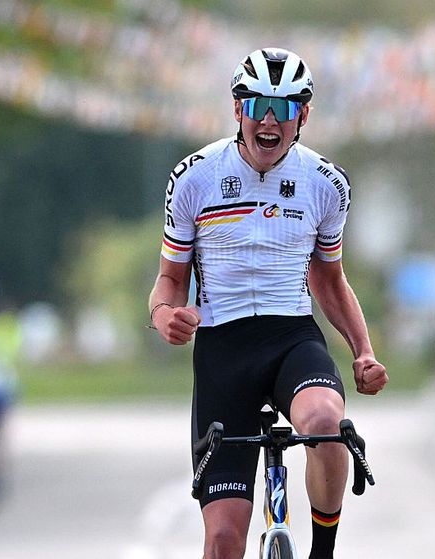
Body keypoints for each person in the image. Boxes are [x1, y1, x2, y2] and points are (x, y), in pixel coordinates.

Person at [148, 47, 388, 559]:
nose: (270, 120)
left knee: (326, 423)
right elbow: (169, 278)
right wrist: (164, 315)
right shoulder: (194, 177)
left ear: (304, 115)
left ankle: (323, 551)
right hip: (223, 349)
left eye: (285, 108)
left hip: (291, 339)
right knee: (223, 541)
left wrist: (363, 350)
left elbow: (330, 278)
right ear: (238, 111)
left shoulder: (326, 183)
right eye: (258, 106)